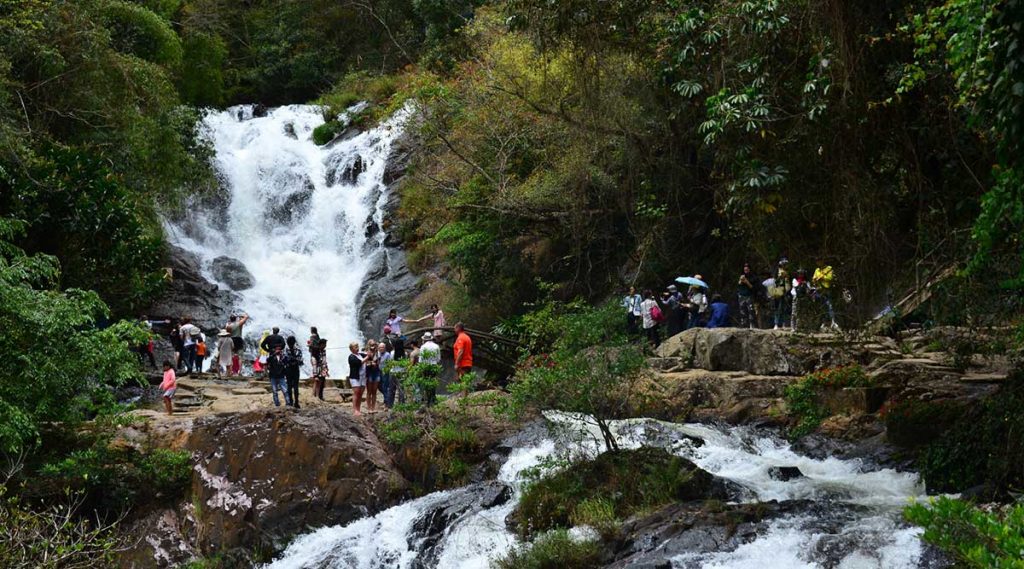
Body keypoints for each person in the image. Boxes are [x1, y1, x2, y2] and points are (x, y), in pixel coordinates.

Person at [812, 260, 839, 330]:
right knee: (822, 307)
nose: (818, 263)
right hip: (819, 290)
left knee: (830, 306)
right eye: (817, 261)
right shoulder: (817, 270)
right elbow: (814, 278)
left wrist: (822, 277)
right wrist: (815, 280)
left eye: (819, 261)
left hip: (827, 290)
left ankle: (833, 322)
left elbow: (830, 278)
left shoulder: (829, 268)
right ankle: (824, 322)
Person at [420, 332, 442, 405]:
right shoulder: (436, 346)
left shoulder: (423, 347)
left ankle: (428, 400)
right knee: (433, 382)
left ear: (424, 339)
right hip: (434, 366)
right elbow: (438, 359)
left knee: (426, 383)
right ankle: (433, 398)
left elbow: (421, 360)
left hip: (425, 367)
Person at [348, 342, 368, 416]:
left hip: (363, 377)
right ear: (351, 349)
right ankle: (355, 410)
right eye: (355, 347)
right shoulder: (351, 357)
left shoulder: (361, 355)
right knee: (356, 393)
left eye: (357, 346)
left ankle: (358, 409)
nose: (357, 348)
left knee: (360, 394)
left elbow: (370, 356)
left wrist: (370, 351)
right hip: (355, 377)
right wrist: (368, 357)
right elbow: (359, 363)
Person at [308, 327, 328, 401]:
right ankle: (314, 396)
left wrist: (326, 368)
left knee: (321, 382)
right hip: (318, 368)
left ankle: (319, 396)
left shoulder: (322, 350)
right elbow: (314, 363)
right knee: (317, 381)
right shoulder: (316, 352)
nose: (325, 346)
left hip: (322, 368)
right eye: (324, 344)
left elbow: (324, 360)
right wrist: (315, 374)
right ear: (321, 344)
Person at [771, 258, 792, 330]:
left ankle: (784, 323)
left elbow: (790, 281)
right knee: (777, 307)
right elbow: (774, 281)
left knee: (784, 307)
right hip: (778, 290)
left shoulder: (788, 272)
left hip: (786, 291)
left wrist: (787, 276)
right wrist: (780, 277)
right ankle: (776, 323)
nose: (785, 265)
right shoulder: (777, 271)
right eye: (784, 264)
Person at [284, 336, 303, 409]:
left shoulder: (285, 350)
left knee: (289, 386)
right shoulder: (298, 350)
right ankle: (296, 402)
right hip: (296, 369)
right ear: (295, 342)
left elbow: (284, 360)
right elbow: (301, 362)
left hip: (288, 369)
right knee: (296, 386)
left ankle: (290, 402)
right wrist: (295, 360)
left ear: (287, 343)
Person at [737, 264, 756, 328]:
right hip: (741, 296)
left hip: (749, 296)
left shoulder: (752, 277)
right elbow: (738, 285)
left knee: (751, 310)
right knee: (742, 311)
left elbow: (752, 287)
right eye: (745, 269)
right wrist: (741, 280)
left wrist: (746, 281)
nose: (746, 270)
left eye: (747, 269)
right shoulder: (741, 276)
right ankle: (743, 325)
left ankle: (752, 325)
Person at [365, 339, 381, 413]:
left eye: (374, 344)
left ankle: (373, 408)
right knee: (369, 391)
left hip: (376, 372)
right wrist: (371, 363)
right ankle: (369, 408)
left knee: (374, 391)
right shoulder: (366, 353)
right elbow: (364, 363)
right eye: (371, 345)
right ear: (369, 345)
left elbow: (379, 362)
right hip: (369, 373)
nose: (373, 346)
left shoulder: (377, 353)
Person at [378, 342, 394, 410]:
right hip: (378, 372)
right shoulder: (378, 354)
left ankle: (387, 403)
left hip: (385, 372)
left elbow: (390, 364)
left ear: (385, 348)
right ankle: (387, 398)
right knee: (379, 386)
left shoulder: (387, 354)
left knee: (385, 387)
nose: (381, 348)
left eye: (382, 347)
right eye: (380, 347)